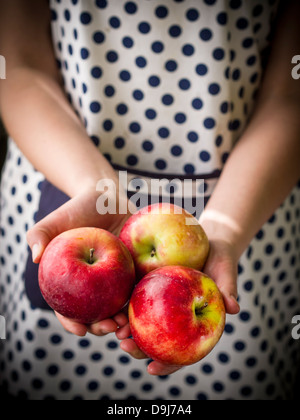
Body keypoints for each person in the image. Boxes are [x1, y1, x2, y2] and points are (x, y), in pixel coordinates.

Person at [0, 0, 300, 400]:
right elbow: (17, 66)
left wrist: (226, 229)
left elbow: (290, 96)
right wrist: (96, 187)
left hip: (250, 202)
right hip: (65, 172)